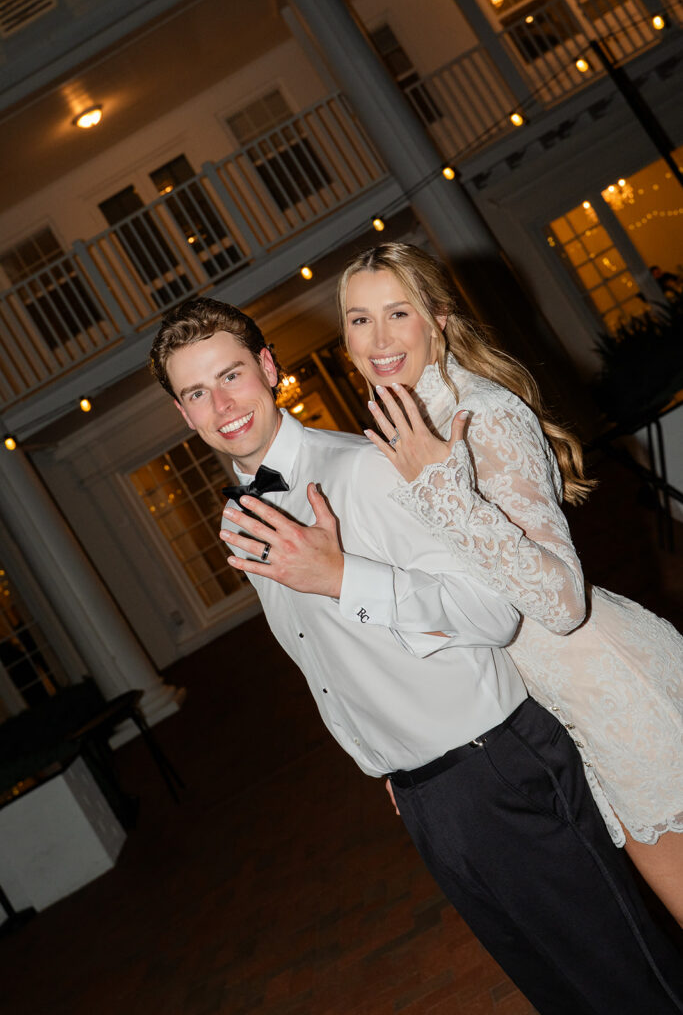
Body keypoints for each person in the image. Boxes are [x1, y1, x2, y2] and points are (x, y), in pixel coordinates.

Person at [149, 297, 683, 1015]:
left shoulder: (364, 471)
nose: (221, 404)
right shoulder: (242, 518)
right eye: (196, 392)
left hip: (496, 764)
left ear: (268, 369)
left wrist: (343, 577)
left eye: (232, 375)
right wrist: (383, 757)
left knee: (630, 989)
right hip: (427, 796)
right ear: (183, 414)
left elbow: (491, 614)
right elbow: (322, 656)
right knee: (564, 995)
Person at [336, 241, 683, 927]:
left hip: (614, 689)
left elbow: (559, 601)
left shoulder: (483, 413)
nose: (377, 339)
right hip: (560, 712)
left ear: (437, 319)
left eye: (397, 313)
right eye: (357, 319)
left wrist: (444, 491)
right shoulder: (405, 426)